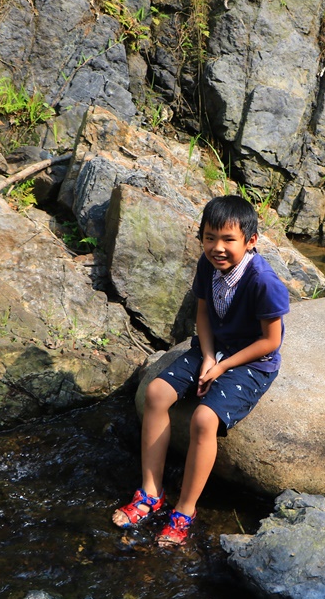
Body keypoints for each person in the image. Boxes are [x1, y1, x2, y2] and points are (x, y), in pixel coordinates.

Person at [111, 194, 290, 547]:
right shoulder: (208, 266)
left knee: (204, 419)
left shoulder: (263, 282)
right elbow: (204, 313)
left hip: (252, 360)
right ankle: (150, 491)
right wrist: (208, 356)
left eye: (228, 240)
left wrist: (223, 365)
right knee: (156, 392)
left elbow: (271, 341)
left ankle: (185, 510)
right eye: (210, 237)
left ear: (250, 241)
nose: (217, 247)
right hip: (215, 348)